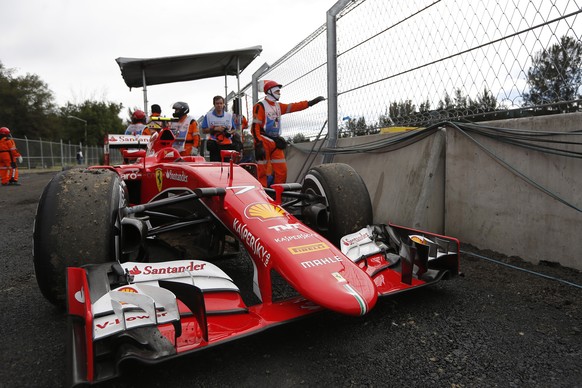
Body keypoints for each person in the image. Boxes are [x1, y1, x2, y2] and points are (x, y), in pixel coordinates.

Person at [251, 80, 325, 187]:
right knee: (262, 172)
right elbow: (255, 127)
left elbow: (294, 106)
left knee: (282, 171)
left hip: (275, 142)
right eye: (277, 91)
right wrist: (258, 143)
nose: (279, 94)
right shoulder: (260, 106)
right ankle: (263, 196)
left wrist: (309, 103)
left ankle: (277, 197)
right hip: (263, 141)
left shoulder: (278, 106)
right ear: (269, 92)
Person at [201, 96, 236, 161]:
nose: (219, 105)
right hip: (214, 144)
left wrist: (228, 132)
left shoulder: (228, 116)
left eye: (221, 103)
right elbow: (203, 130)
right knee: (215, 165)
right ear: (214, 104)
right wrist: (215, 129)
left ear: (223, 104)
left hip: (226, 145)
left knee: (226, 166)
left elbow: (234, 129)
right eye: (217, 103)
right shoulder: (208, 116)